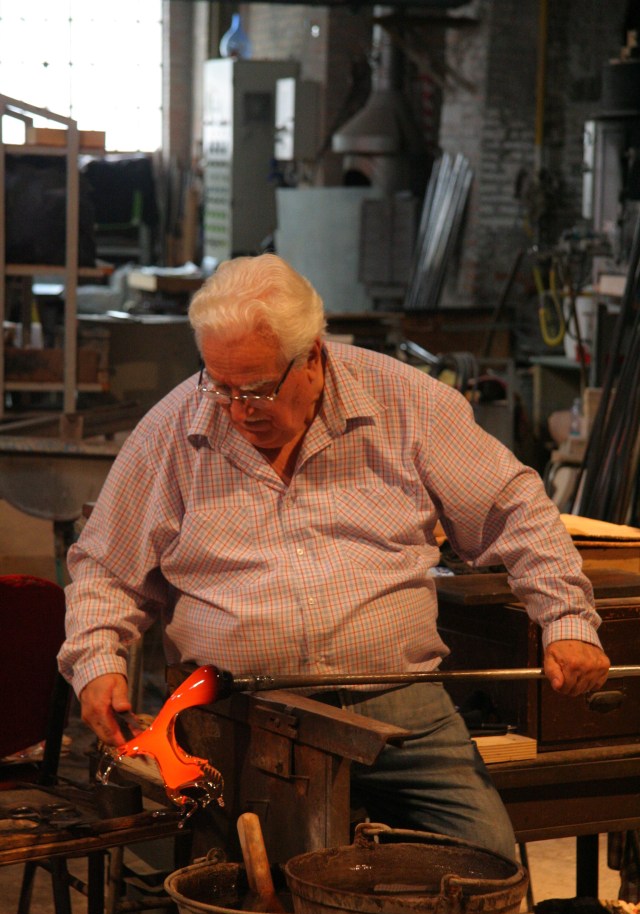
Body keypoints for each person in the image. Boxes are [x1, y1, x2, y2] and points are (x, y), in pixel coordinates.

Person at [59, 253, 609, 859]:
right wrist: (97, 661)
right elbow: (107, 568)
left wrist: (566, 620)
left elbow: (515, 508)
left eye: (259, 389)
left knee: (486, 872)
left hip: (399, 711)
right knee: (246, 908)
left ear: (314, 357)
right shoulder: (175, 429)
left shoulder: (405, 403)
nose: (240, 410)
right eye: (221, 386)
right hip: (235, 718)